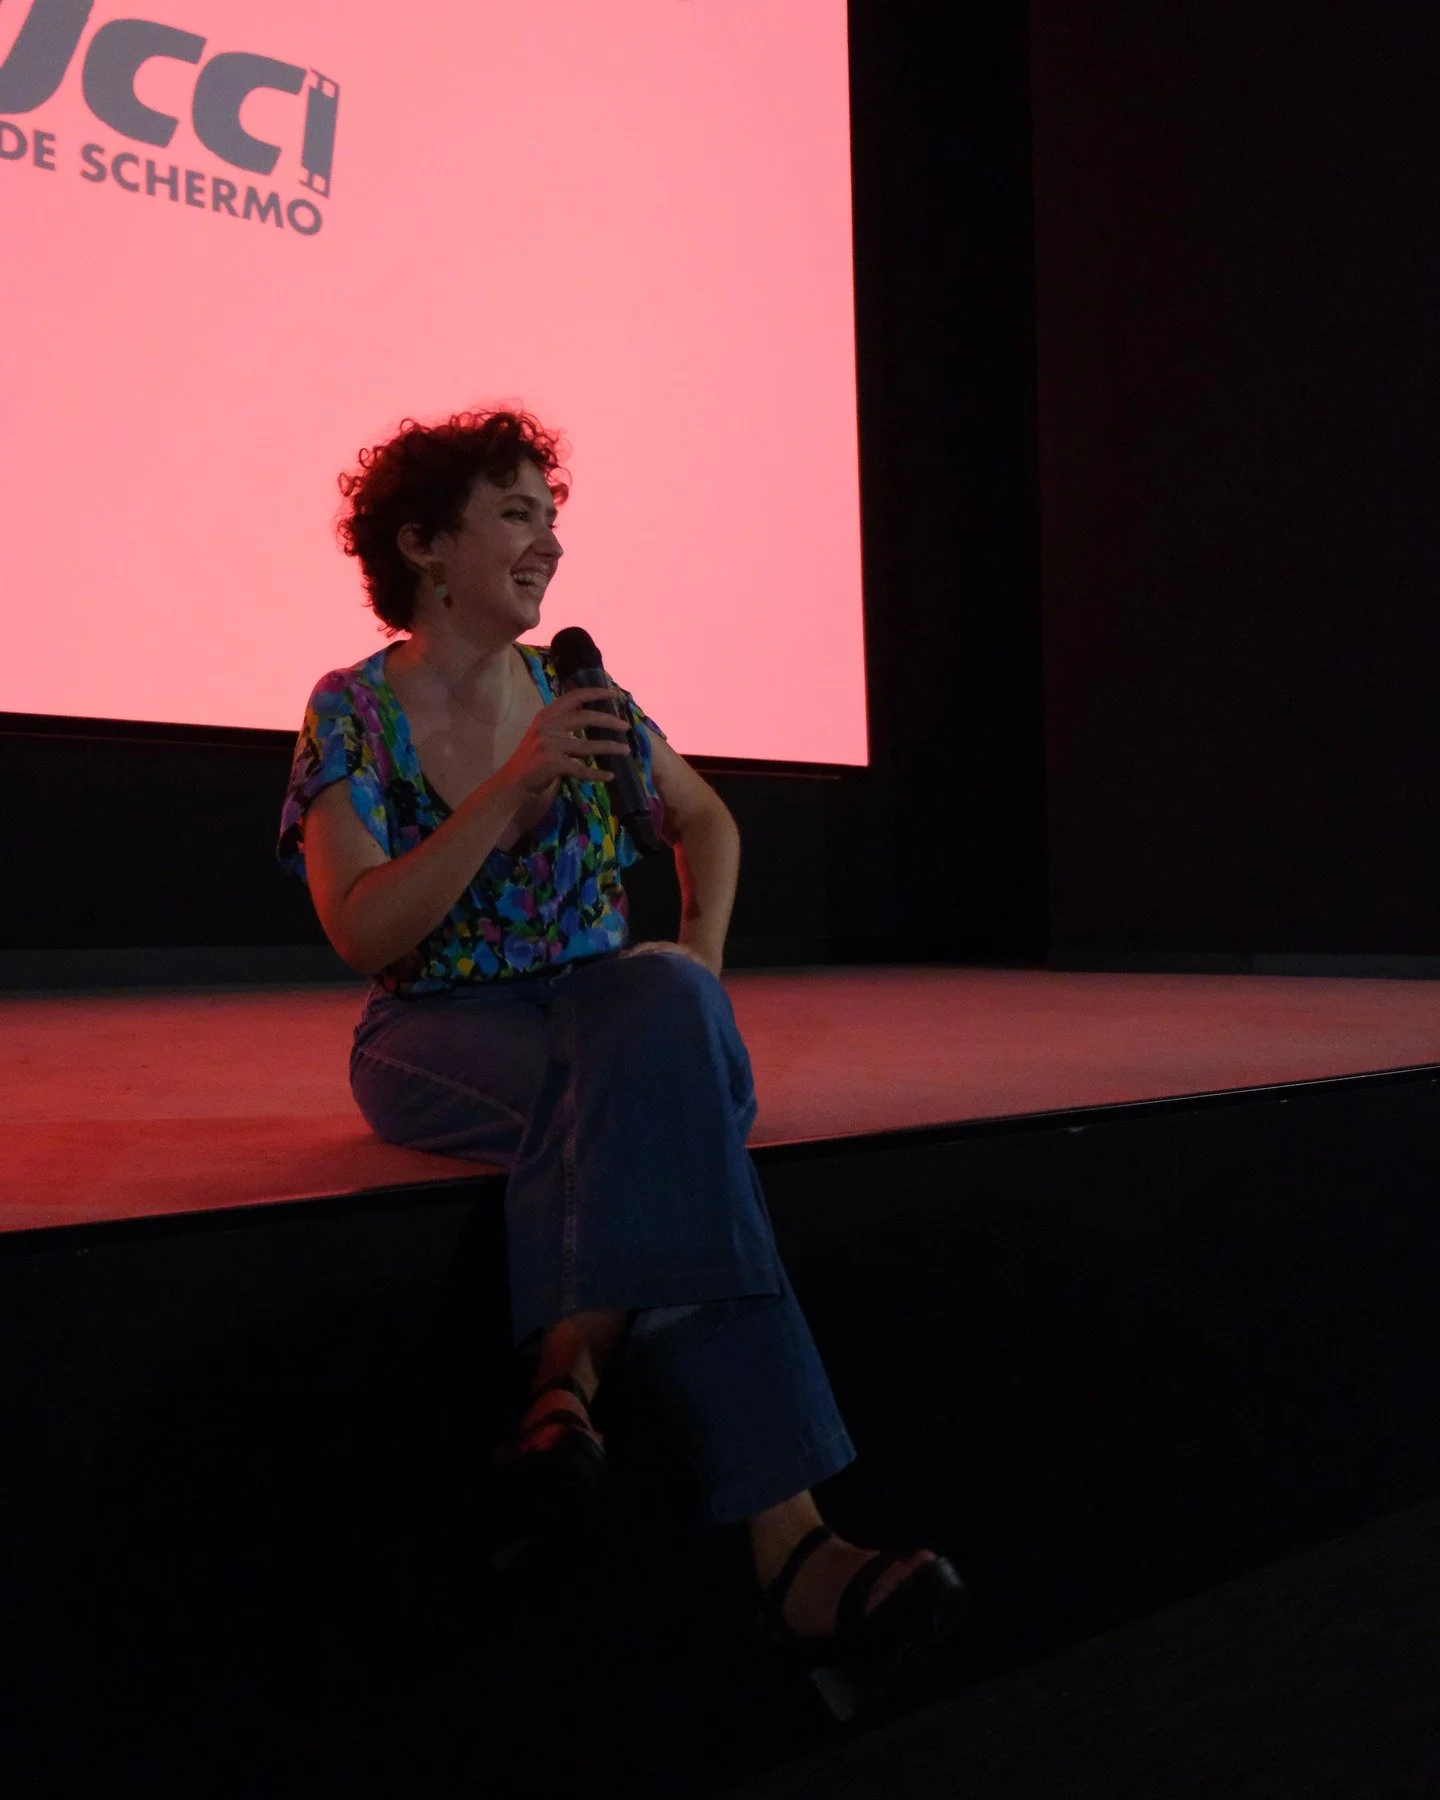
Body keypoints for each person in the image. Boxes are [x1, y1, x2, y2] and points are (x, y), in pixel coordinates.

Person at [277, 405, 969, 1708]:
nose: (548, 544)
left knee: (654, 1013)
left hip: (616, 1016)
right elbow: (363, 927)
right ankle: (790, 1544)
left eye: (553, 516)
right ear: (426, 545)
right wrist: (509, 793)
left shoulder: (579, 697)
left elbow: (707, 827)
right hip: (442, 1028)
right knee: (657, 1115)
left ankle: (567, 1385)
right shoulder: (353, 710)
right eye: (517, 515)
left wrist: (697, 976)